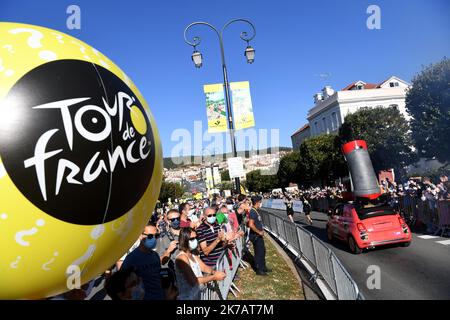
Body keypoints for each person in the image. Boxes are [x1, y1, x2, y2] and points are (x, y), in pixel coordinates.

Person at [175, 227, 226, 300]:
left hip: (197, 295)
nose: (195, 240)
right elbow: (193, 281)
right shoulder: (182, 258)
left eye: (196, 238)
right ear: (185, 240)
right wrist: (214, 277)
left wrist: (214, 271)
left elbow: (204, 267)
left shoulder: (192, 254)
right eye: (192, 239)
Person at [121, 223, 165, 300]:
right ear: (140, 236)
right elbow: (122, 284)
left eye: (156, 236)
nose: (154, 239)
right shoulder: (131, 259)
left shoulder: (155, 255)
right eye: (150, 236)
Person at [248, 195, 270, 276]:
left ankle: (263, 267)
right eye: (260, 202)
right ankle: (259, 269)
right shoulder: (253, 212)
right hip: (255, 236)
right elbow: (251, 224)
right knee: (259, 252)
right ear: (257, 202)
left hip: (258, 236)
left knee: (262, 251)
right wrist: (259, 232)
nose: (261, 203)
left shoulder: (255, 211)